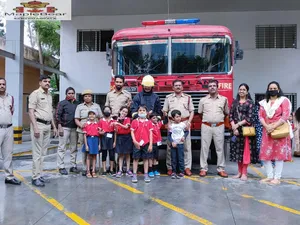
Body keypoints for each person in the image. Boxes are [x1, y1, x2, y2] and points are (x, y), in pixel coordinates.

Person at [259, 81, 292, 185]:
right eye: (271, 88)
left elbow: (285, 115)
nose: (272, 90)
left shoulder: (283, 100)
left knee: (279, 154)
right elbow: (260, 116)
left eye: (274, 88)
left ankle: (277, 178)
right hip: (267, 130)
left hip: (279, 130)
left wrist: (273, 126)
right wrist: (267, 126)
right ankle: (269, 176)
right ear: (268, 90)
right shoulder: (264, 102)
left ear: (278, 89)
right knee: (265, 154)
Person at [29, 75, 59, 187]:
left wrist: (54, 127)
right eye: (45, 81)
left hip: (47, 126)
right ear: (40, 82)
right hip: (39, 125)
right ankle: (35, 177)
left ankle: (39, 174)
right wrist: (35, 127)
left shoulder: (49, 95)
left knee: (43, 153)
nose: (47, 83)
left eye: (48, 81)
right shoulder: (35, 94)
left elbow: (50, 113)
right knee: (37, 153)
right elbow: (31, 112)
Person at [198, 79, 229, 178]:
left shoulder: (224, 99)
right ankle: (203, 168)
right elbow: (200, 113)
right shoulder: (203, 100)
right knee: (204, 148)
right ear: (208, 88)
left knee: (219, 148)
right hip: (206, 126)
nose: (212, 87)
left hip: (219, 126)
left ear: (217, 87)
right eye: (210, 86)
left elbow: (226, 112)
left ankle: (221, 169)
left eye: (214, 86)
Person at [163, 80, 194, 176]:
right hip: (172, 124)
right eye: (176, 85)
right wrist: (167, 123)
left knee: (186, 146)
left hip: (184, 123)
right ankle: (170, 168)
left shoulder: (188, 98)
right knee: (170, 146)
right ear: (172, 87)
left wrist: (189, 122)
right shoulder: (168, 98)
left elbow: (192, 111)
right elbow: (165, 111)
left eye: (179, 85)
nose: (178, 87)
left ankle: (186, 167)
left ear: (182, 87)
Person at [229, 83, 258, 181]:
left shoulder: (250, 103)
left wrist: (238, 124)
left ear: (247, 92)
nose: (241, 91)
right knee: (237, 152)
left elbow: (249, 118)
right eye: (240, 89)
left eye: (244, 89)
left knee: (245, 152)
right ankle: (239, 172)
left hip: (246, 131)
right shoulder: (234, 102)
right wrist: (234, 126)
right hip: (236, 131)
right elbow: (231, 115)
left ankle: (244, 173)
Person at [74, 89, 102, 176]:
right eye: (85, 96)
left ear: (92, 97)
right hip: (83, 131)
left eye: (89, 96)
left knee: (93, 149)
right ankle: (85, 167)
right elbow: (76, 119)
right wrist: (81, 125)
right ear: (83, 97)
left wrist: (100, 128)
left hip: (94, 131)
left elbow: (100, 118)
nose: (87, 97)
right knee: (85, 149)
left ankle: (92, 168)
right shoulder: (79, 106)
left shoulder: (96, 106)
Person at [0, 78, 21, 185]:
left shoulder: (10, 98)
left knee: (8, 154)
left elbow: (11, 112)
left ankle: (9, 177)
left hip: (8, 128)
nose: (2, 86)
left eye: (3, 84)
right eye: (0, 84)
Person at [56, 87, 79, 175]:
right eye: (69, 93)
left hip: (74, 128)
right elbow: (57, 115)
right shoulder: (62, 103)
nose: (71, 95)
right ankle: (61, 166)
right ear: (66, 94)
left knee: (74, 148)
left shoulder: (77, 104)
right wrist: (59, 126)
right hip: (64, 128)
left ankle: (73, 166)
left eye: (72, 93)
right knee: (62, 147)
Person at [130, 105, 153, 183]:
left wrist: (150, 144)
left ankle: (146, 174)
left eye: (143, 110)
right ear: (137, 112)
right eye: (140, 110)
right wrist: (134, 141)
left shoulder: (149, 122)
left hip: (146, 143)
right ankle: (134, 174)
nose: (142, 112)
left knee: (145, 159)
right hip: (137, 143)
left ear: (146, 113)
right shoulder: (134, 121)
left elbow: (150, 133)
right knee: (135, 159)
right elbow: (132, 132)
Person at [168, 110, 189, 179]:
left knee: (180, 158)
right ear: (173, 118)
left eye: (179, 116)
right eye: (177, 117)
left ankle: (181, 171)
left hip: (180, 144)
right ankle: (174, 171)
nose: (178, 118)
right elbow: (169, 135)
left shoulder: (183, 124)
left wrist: (184, 137)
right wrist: (172, 142)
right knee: (173, 158)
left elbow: (186, 131)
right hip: (174, 144)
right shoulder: (171, 126)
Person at [115, 106, 133, 178]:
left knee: (127, 154)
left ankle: (128, 169)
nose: (124, 113)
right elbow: (116, 131)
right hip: (120, 137)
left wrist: (118, 123)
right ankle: (120, 170)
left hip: (127, 137)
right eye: (123, 111)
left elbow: (126, 127)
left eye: (126, 112)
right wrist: (116, 125)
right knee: (121, 154)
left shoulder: (128, 119)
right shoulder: (116, 119)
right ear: (120, 111)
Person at [148, 112, 167, 178]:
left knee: (156, 157)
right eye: (153, 118)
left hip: (157, 143)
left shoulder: (158, 124)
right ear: (150, 119)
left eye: (156, 118)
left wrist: (165, 115)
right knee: (150, 157)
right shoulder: (149, 125)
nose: (155, 119)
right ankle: (150, 170)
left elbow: (165, 121)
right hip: (151, 143)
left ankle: (155, 170)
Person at [82, 110, 100, 178]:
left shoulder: (97, 124)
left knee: (94, 156)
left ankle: (93, 171)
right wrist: (86, 145)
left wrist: (99, 144)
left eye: (93, 114)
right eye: (90, 114)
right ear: (88, 116)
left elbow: (99, 136)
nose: (92, 116)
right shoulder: (86, 124)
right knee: (88, 156)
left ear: (95, 116)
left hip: (95, 140)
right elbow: (84, 135)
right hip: (89, 140)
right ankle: (88, 171)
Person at [98, 106, 116, 176]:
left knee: (112, 154)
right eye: (105, 110)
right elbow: (99, 132)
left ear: (111, 111)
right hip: (103, 137)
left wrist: (115, 141)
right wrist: (99, 143)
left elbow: (115, 133)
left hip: (111, 137)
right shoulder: (101, 121)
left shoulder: (113, 121)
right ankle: (104, 169)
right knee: (104, 154)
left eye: (108, 110)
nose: (107, 111)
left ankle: (111, 169)